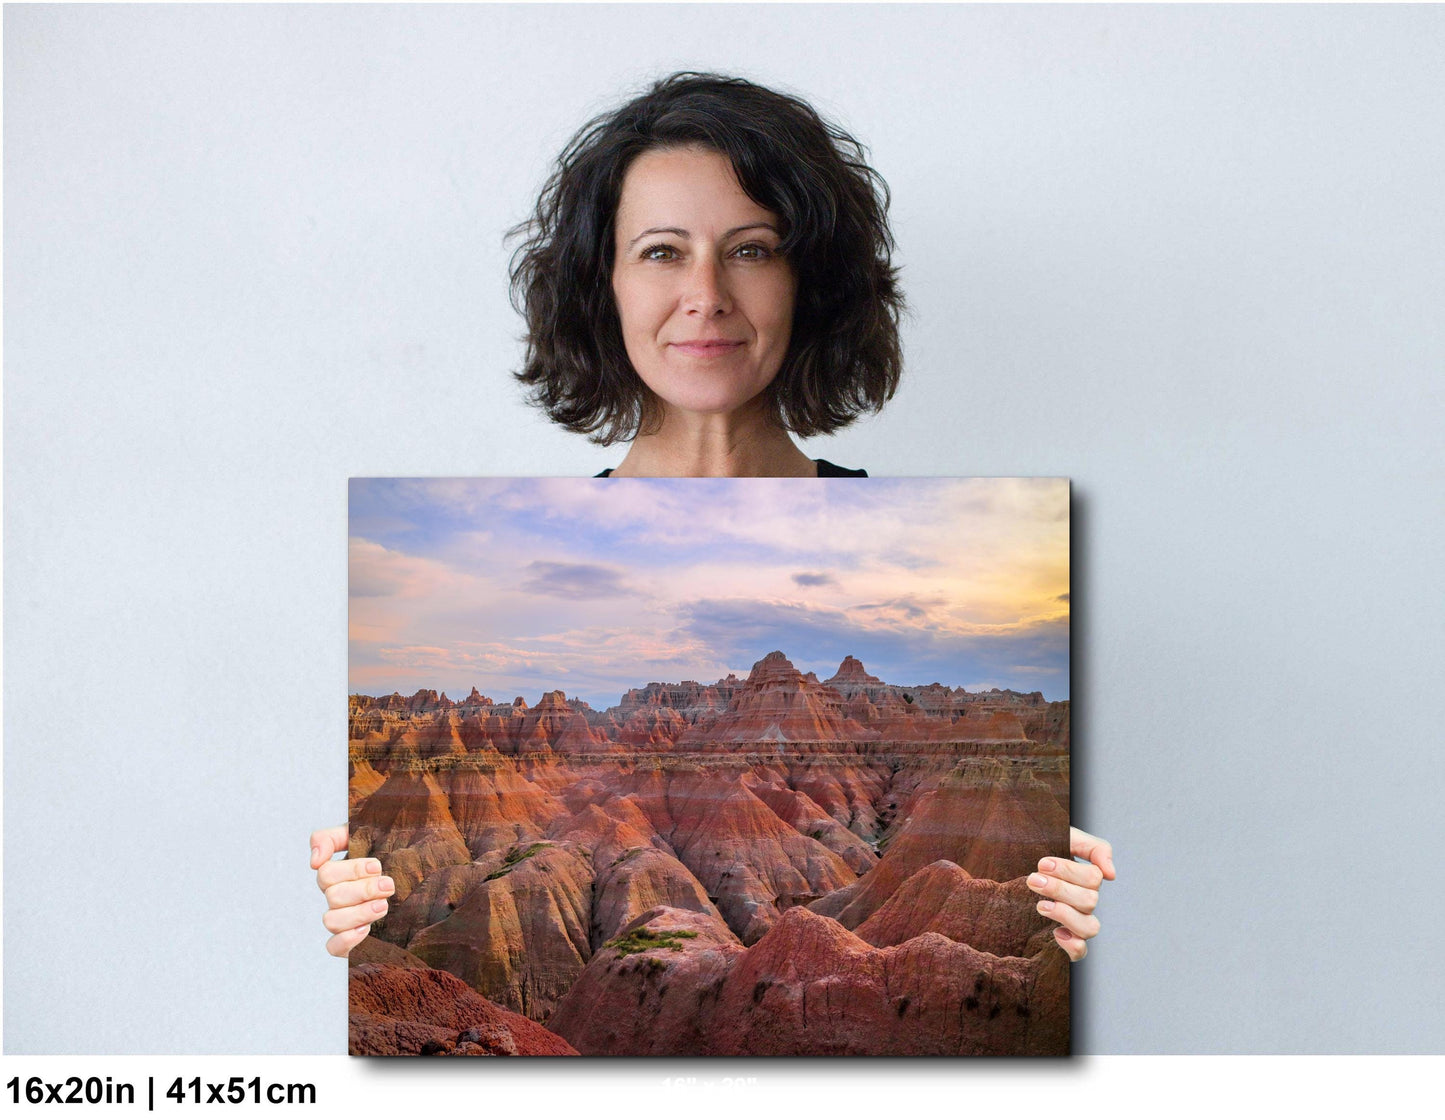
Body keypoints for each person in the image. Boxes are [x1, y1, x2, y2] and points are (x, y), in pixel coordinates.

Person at [312, 72, 1114, 962]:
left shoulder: (965, 541)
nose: (706, 293)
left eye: (752, 249)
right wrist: (358, 920)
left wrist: (1061, 918)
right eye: (661, 251)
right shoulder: (483, 548)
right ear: (601, 285)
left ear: (810, 284)